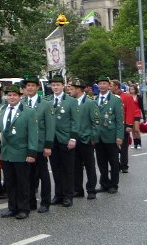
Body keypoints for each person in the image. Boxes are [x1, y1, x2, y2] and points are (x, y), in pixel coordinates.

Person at [0, 84, 38, 219]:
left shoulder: (28, 111)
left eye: (14, 95)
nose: (11, 97)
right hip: (6, 152)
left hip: (21, 152)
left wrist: (31, 153)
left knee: (22, 182)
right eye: (9, 95)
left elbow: (33, 134)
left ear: (20, 96)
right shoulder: (2, 110)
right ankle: (12, 207)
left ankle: (24, 208)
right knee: (10, 182)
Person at [23, 76, 55, 213]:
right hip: (26, 146)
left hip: (41, 145)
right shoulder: (22, 102)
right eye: (28, 85)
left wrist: (48, 146)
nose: (30, 88)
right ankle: (31, 202)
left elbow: (50, 126)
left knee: (43, 174)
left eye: (32, 85)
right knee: (28, 175)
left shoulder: (45, 104)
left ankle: (45, 202)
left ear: (37, 88)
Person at [47, 75, 78, 208]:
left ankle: (68, 195)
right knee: (55, 168)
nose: (55, 87)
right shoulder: (47, 100)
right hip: (52, 139)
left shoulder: (71, 101)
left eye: (58, 85)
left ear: (63, 86)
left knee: (68, 169)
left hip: (66, 139)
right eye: (53, 85)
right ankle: (58, 194)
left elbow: (75, 121)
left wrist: (73, 138)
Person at [70, 78, 100, 200]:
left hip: (86, 140)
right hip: (74, 140)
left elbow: (96, 122)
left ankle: (91, 189)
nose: (70, 91)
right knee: (75, 167)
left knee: (89, 166)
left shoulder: (90, 103)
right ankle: (78, 189)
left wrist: (93, 138)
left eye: (72, 89)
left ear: (78, 89)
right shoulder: (71, 102)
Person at [93, 76, 124, 193]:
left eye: (104, 84)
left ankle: (114, 184)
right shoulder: (94, 99)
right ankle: (104, 183)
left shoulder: (115, 100)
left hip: (111, 135)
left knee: (114, 162)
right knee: (101, 162)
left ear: (109, 85)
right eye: (100, 84)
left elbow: (119, 120)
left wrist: (119, 136)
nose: (102, 86)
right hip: (98, 136)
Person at [112, 79, 138, 173]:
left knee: (123, 147)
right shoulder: (110, 97)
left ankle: (124, 165)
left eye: (111, 86)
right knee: (113, 147)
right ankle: (116, 165)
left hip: (123, 124)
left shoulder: (126, 97)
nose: (110, 87)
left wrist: (129, 125)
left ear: (116, 87)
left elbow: (131, 111)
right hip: (112, 126)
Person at [129, 84, 145, 148]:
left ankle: (139, 143)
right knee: (132, 130)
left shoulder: (139, 97)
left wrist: (144, 117)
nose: (131, 90)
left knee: (136, 129)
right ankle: (135, 143)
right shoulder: (128, 96)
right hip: (130, 114)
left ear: (135, 90)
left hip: (137, 113)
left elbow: (141, 107)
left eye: (133, 89)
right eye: (130, 89)